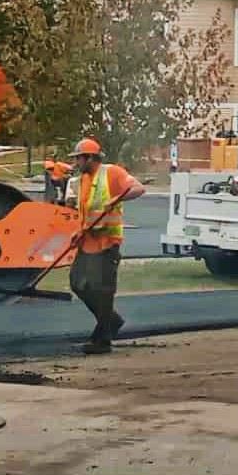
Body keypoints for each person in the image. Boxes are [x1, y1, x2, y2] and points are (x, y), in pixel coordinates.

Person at [67, 137, 146, 354]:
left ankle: (102, 339)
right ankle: (111, 320)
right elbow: (87, 212)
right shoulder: (83, 180)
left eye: (78, 159)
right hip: (87, 241)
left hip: (107, 243)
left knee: (102, 291)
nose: (76, 163)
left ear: (90, 158)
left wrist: (118, 199)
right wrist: (79, 231)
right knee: (77, 283)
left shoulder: (112, 173)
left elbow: (138, 189)